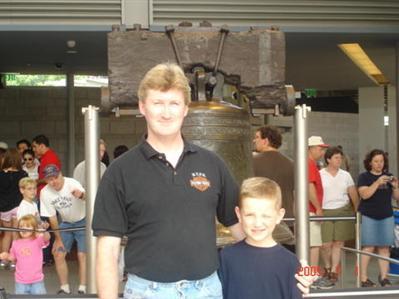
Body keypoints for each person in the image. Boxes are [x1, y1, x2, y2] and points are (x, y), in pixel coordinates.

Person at [92, 63, 313, 299]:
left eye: (174, 104)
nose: (166, 113)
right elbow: (107, 250)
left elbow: (245, 231)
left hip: (206, 291)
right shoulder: (120, 171)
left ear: (186, 109)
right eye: (158, 103)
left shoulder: (212, 164)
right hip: (147, 291)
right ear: (142, 107)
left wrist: (296, 271)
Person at [218, 177, 301, 299]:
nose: (257, 223)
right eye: (250, 215)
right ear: (239, 214)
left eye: (266, 216)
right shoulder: (225, 257)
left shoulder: (291, 262)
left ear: (279, 215)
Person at [40, 164, 86, 294]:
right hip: (66, 223)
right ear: (46, 180)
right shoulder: (45, 192)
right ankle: (64, 287)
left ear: (61, 174)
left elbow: (90, 198)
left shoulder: (72, 183)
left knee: (82, 254)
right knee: (58, 253)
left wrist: (82, 196)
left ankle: (83, 287)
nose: (53, 181)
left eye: (56, 177)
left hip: (83, 220)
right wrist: (58, 239)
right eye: (50, 179)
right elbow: (52, 217)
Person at [357, 149, 399, 287]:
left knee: (384, 248)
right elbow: (365, 195)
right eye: (376, 161)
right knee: (368, 247)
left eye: (381, 161)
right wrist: (377, 182)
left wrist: (395, 187)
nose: (379, 164)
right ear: (370, 163)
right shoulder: (364, 177)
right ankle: (363, 278)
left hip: (386, 215)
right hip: (369, 215)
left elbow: (397, 198)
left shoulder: (389, 176)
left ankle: (384, 277)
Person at [252, 125, 295, 250]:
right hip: (287, 221)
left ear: (265, 141)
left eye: (257, 137)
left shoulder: (251, 162)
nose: (254, 140)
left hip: (260, 222)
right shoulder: (291, 164)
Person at [320, 146, 358, 283]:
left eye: (340, 158)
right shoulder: (320, 174)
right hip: (325, 210)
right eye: (336, 158)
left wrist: (357, 211)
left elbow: (353, 193)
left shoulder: (345, 175)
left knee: (338, 242)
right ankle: (327, 267)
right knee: (325, 243)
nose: (339, 160)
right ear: (328, 159)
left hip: (343, 209)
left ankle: (334, 270)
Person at [307, 136, 334, 289]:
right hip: (311, 210)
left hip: (308, 209)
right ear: (310, 148)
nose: (322, 151)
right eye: (319, 148)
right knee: (314, 246)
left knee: (312, 245)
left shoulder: (309, 164)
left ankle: (309, 275)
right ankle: (312, 276)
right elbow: (310, 187)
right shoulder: (309, 164)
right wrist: (318, 208)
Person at [0, 214, 50, 295]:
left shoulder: (37, 240)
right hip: (21, 282)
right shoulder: (15, 243)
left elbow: (47, 238)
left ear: (34, 228)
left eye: (27, 226)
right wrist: (6, 256)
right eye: (21, 226)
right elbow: (12, 257)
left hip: (37, 281)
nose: (23, 229)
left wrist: (44, 230)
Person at [0, 148, 28, 269]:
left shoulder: (0, 174)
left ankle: (3, 260)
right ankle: (14, 260)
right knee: (16, 233)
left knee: (6, 233)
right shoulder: (23, 174)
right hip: (18, 207)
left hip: (4, 208)